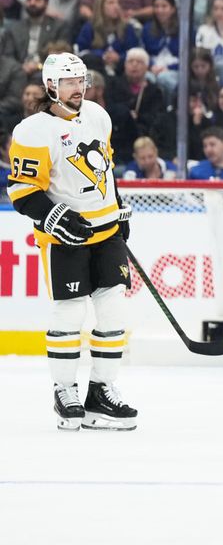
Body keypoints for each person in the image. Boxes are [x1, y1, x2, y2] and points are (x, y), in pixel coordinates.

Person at [6, 52, 137, 430]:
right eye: (69, 81)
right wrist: (53, 216)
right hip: (65, 238)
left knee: (114, 313)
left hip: (106, 232)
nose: (79, 87)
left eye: (82, 80)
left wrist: (119, 209)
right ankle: (65, 391)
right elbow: (22, 190)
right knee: (70, 311)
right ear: (51, 86)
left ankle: (101, 392)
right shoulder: (32, 130)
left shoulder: (98, 115)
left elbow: (106, 170)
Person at [105, 47, 166, 165]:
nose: (134, 65)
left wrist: (138, 118)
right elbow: (110, 108)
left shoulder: (154, 91)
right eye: (131, 61)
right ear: (125, 65)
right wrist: (127, 114)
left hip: (142, 135)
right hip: (118, 137)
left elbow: (157, 116)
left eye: (139, 62)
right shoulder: (114, 85)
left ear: (147, 67)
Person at [1, 0, 71, 79]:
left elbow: (61, 53)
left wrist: (39, 65)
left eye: (37, 0)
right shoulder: (14, 29)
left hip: (48, 72)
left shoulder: (59, 27)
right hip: (18, 72)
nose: (32, 3)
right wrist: (21, 68)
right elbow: (8, 56)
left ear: (46, 2)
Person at [75, 0, 141, 76]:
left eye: (118, 3)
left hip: (121, 71)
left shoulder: (127, 28)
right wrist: (102, 55)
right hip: (96, 70)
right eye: (111, 3)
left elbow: (134, 51)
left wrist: (119, 57)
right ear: (101, 6)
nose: (116, 6)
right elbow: (81, 51)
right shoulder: (89, 27)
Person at [142, 0, 180, 100]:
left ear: (173, 9)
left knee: (164, 78)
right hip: (153, 68)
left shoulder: (184, 29)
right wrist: (151, 66)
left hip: (175, 69)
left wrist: (168, 68)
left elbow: (189, 57)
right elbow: (144, 52)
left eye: (164, 6)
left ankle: (171, 107)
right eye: (157, 6)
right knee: (147, 78)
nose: (160, 10)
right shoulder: (147, 28)